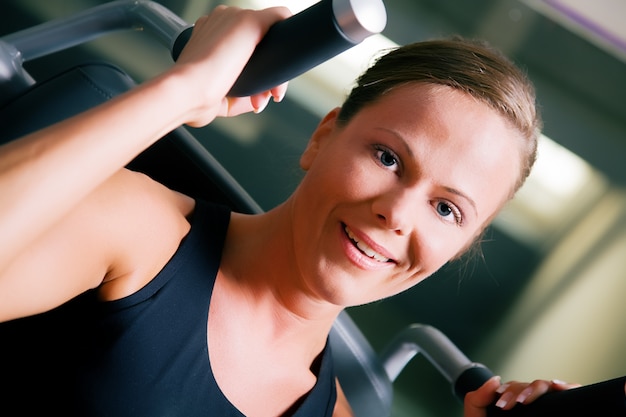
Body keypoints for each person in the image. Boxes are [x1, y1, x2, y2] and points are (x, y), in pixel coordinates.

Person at [0, 4, 621, 417]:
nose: (397, 212)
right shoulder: (139, 232)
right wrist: (182, 91)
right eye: (387, 156)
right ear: (323, 136)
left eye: (447, 209)